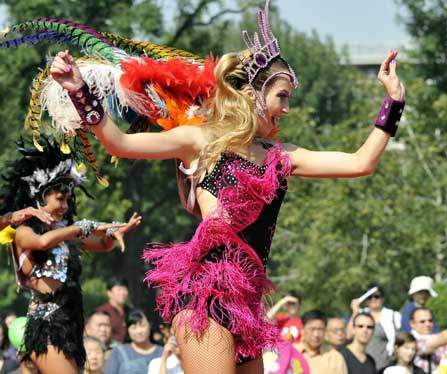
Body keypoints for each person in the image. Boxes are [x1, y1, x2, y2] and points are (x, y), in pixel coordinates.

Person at [47, 0, 405, 371]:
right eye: (282, 97)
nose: (287, 108)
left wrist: (394, 102)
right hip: (206, 298)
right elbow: (120, 143)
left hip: (247, 306)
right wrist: (79, 90)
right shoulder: (203, 141)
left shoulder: (281, 154)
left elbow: (361, 163)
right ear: (252, 94)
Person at [1, 137, 141, 374]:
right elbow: (43, 242)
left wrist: (112, 232)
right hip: (46, 326)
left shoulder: (62, 233)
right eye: (59, 199)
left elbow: (102, 245)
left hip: (70, 324)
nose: (65, 206)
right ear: (39, 196)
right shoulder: (23, 232)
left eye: (67, 200)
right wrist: (82, 226)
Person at [348, 283, 402, 369]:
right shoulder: (361, 315)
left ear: (382, 298)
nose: (373, 299)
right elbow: (349, 335)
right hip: (363, 364)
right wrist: (355, 311)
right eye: (369, 297)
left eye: (376, 296)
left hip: (386, 365)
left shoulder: (393, 316)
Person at [105, 309, 162, 374]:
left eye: (142, 326)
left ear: (150, 325)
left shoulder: (163, 352)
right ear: (127, 329)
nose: (139, 331)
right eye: (134, 327)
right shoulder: (118, 353)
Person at [96, 277, 130, 343]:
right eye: (119, 289)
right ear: (109, 293)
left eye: (125, 289)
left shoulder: (130, 311)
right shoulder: (101, 312)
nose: (122, 293)